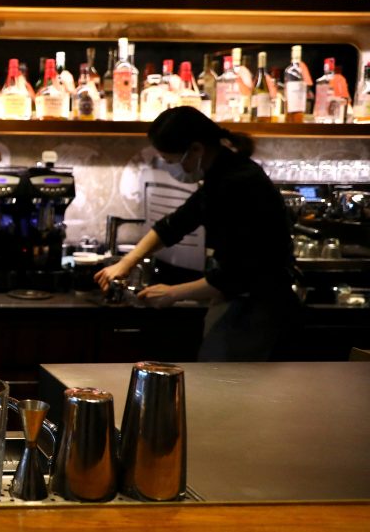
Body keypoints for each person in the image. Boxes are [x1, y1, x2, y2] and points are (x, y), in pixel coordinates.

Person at [95, 106, 298, 361]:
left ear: (196, 149)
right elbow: (178, 222)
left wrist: (172, 294)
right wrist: (126, 262)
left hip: (259, 306)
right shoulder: (222, 172)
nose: (171, 168)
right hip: (240, 300)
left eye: (170, 161)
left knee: (228, 391)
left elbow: (235, 275)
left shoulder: (238, 184)